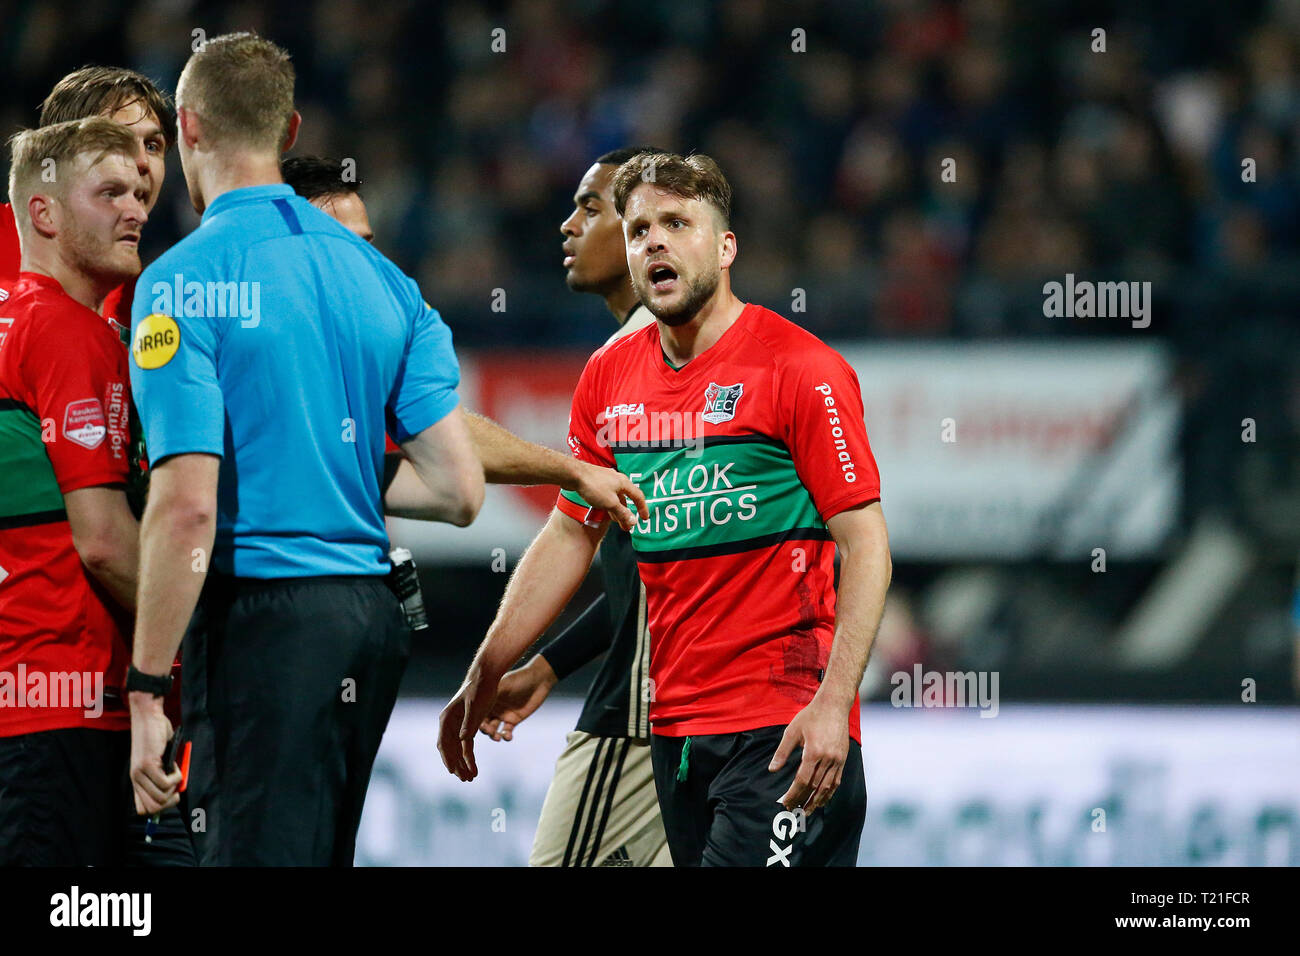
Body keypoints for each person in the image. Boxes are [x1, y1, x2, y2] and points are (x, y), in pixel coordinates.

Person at [439, 152, 892, 867]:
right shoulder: (608, 377)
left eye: (677, 223)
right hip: (675, 736)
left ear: (724, 246)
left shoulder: (801, 370)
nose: (654, 240)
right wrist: (489, 666)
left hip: (783, 727)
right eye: (640, 227)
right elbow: (569, 534)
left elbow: (866, 545)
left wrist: (835, 703)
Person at [124, 32, 481, 867]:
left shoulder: (180, 281)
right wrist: (332, 471)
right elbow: (460, 491)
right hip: (370, 623)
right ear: (289, 134)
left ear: (188, 129)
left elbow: (186, 504)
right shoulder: (388, 281)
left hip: (266, 622)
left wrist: (145, 689)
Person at [285, 149, 667, 866]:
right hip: (719, 715)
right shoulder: (632, 361)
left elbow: (652, 557)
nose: (567, 223)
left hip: (659, 713)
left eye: (591, 207)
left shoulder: (659, 358)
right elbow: (639, 563)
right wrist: (544, 664)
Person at [279, 155, 648, 527]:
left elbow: (455, 481)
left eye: (367, 245)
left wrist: (325, 472)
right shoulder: (232, 313)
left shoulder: (396, 318)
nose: (368, 265)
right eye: (343, 244)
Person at [0, 118, 149, 865]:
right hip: (65, 702)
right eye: (109, 193)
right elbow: (103, 543)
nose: (137, 209)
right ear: (44, 213)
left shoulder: (10, 324)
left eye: (138, 192)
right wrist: (204, 636)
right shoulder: (67, 332)